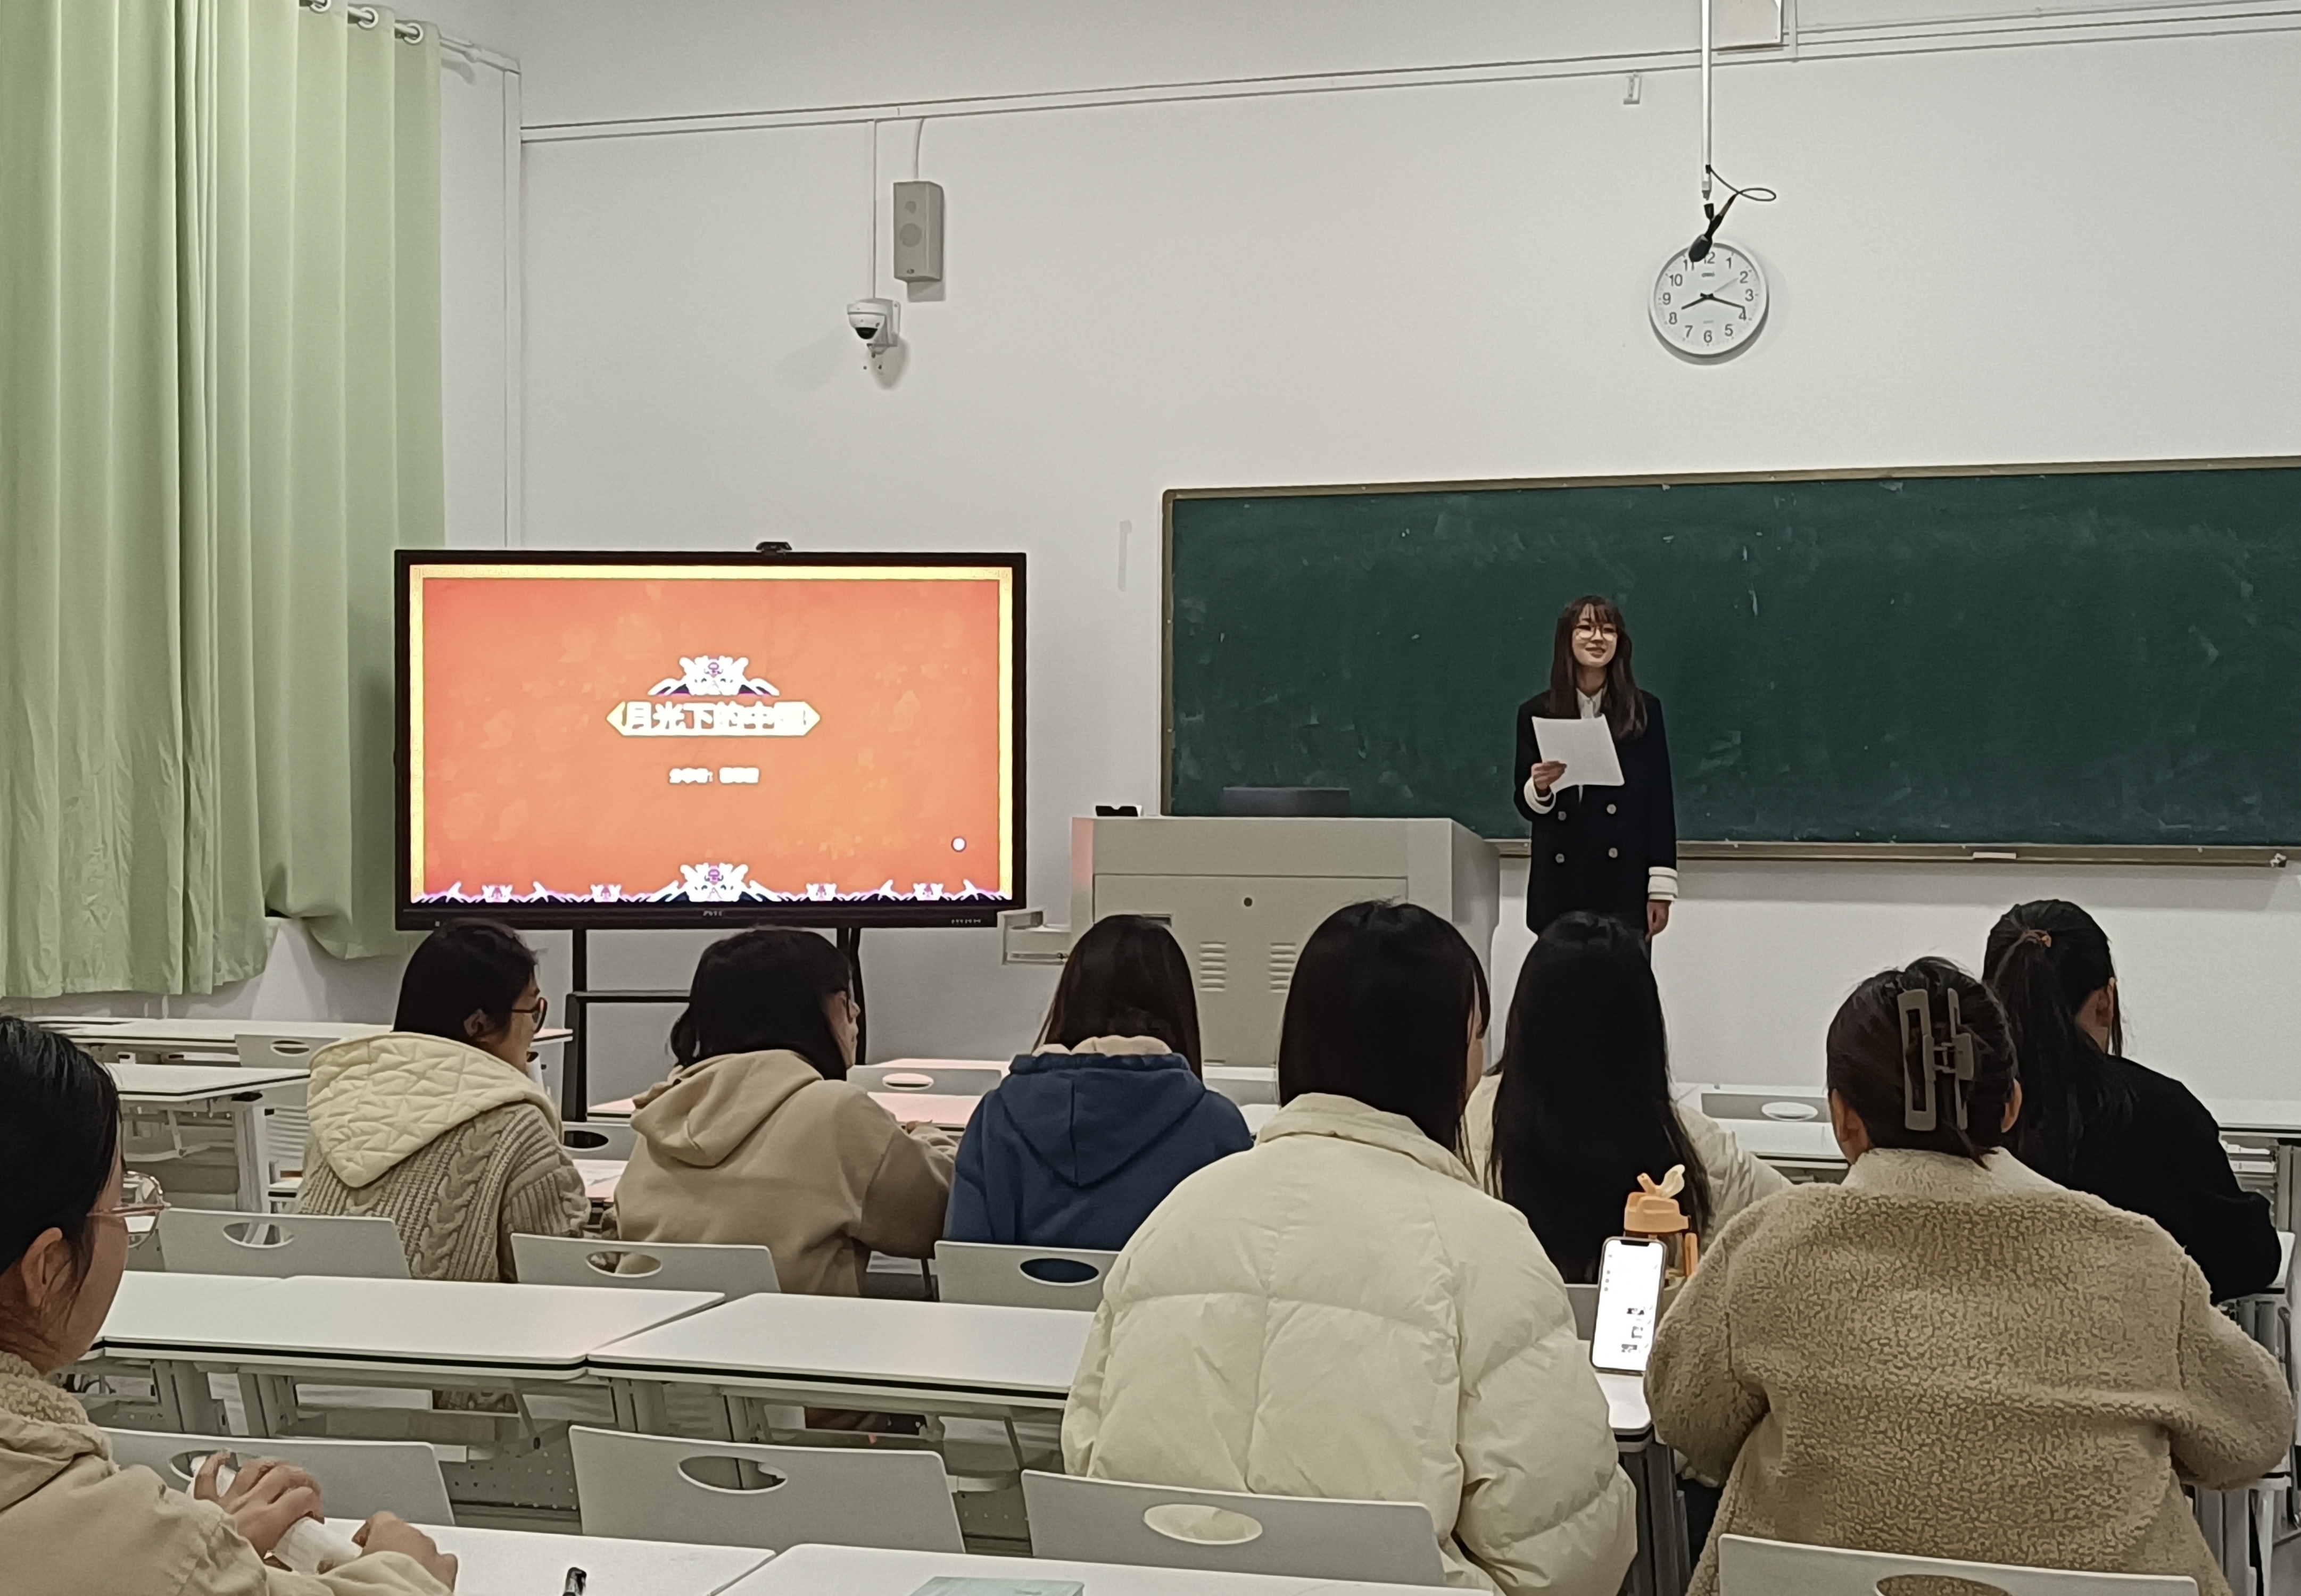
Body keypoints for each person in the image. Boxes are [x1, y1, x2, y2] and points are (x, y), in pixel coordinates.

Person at [1646, 959, 2290, 1596]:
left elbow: (1686, 1418)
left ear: (1843, 1118)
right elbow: (2253, 1436)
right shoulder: (2136, 1258)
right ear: (2010, 1106)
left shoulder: (1769, 1249)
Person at [1064, 902, 1638, 1596]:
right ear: (1451, 1061)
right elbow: (1566, 1556)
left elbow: (1086, 1455)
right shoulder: (1486, 1247)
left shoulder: (1177, 1215)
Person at [0, 1017, 459, 1595]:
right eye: (122, 1206)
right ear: (47, 1268)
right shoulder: (98, 1525)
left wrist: (207, 1552)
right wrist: (408, 1573)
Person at [613, 928, 954, 1295]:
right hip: (793, 1331)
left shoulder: (664, 1112)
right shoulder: (837, 1112)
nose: (855, 1012)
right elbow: (946, 1219)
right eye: (845, 999)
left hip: (654, 1328)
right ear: (810, 1012)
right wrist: (929, 1139)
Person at [1985, 899, 2280, 1301]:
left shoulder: (1957, 1111)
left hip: (1979, 1338)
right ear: (2105, 1000)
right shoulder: (2160, 1110)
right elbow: (2246, 1260)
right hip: (2131, 1338)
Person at [1466, 912, 1786, 1283]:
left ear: (1523, 1022)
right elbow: (1803, 1223)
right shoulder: (1698, 1151)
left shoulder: (1470, 1128)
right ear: (1645, 1033)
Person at [297, 921, 586, 1282]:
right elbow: (557, 1271)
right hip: (451, 1317)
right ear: (479, 1025)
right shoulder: (517, 1125)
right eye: (533, 1012)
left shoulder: (341, 1100)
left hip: (315, 1312)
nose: (534, 1028)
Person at [946, 916, 1251, 1251]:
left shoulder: (995, 1116)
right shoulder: (1217, 1125)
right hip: (1160, 1289)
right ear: (1179, 1007)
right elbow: (1230, 1263)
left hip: (1013, 1290)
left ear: (1071, 1000)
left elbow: (966, 1258)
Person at [1513, 596, 1678, 940]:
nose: (1598, 638)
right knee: (1559, 974)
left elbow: (1659, 800)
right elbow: (1525, 802)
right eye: (1586, 628)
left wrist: (1660, 887)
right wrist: (1539, 788)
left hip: (1624, 881)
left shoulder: (1642, 710)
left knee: (1624, 973)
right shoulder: (1537, 711)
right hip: (1560, 882)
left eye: (1608, 630)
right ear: (1567, 638)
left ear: (1620, 641)